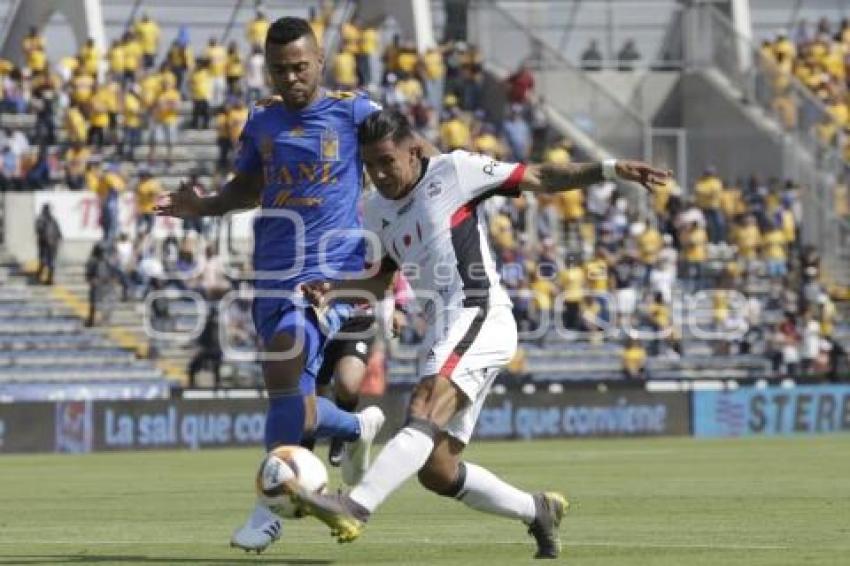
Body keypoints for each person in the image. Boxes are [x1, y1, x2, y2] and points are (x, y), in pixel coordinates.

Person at [289, 109, 670, 558]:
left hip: (479, 312)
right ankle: (537, 510)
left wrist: (609, 169)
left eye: (387, 161)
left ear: (413, 151)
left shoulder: (455, 171)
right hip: (443, 328)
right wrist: (334, 289)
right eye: (369, 165)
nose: (379, 173)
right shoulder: (375, 210)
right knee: (438, 469)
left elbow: (541, 176)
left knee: (424, 407)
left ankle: (354, 505)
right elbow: (380, 281)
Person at [155, 17, 392, 553]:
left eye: (300, 67)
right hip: (271, 272)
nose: (291, 79)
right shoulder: (262, 121)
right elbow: (247, 188)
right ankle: (356, 429)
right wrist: (205, 206)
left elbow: (404, 162)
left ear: (320, 63)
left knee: (283, 372)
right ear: (268, 69)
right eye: (280, 69)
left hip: (331, 277)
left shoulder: (356, 112)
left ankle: (267, 512)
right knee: (292, 400)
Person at [35, 204, 62, 285]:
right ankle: (38, 276)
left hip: (53, 245)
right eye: (48, 209)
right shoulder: (40, 219)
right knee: (43, 261)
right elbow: (39, 230)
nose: (50, 211)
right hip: (44, 245)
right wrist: (46, 239)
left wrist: (59, 237)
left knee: (52, 263)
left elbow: (58, 230)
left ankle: (50, 279)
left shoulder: (53, 220)